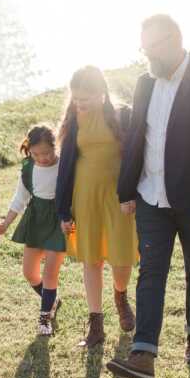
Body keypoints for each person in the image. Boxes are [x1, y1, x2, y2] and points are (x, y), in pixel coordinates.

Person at [107, 14, 190, 378]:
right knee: (151, 273)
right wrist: (127, 189)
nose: (147, 54)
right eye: (143, 47)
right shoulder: (145, 82)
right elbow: (136, 139)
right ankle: (143, 352)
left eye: (152, 47)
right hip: (150, 197)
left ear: (174, 40)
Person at [56, 66, 139, 348]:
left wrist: (134, 193)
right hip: (85, 196)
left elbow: (134, 157)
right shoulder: (73, 119)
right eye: (76, 98)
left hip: (119, 197)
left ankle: (120, 294)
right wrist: (63, 211)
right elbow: (66, 166)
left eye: (86, 98)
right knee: (91, 258)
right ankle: (96, 323)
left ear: (101, 93)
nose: (80, 103)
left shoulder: (122, 115)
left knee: (122, 257)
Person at [0, 125, 66, 336]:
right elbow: (20, 199)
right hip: (36, 219)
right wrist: (5, 224)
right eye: (36, 154)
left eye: (46, 153)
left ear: (56, 147)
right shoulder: (28, 167)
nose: (42, 158)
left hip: (60, 220)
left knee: (50, 271)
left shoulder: (65, 165)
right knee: (29, 273)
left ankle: (44, 318)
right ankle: (52, 299)